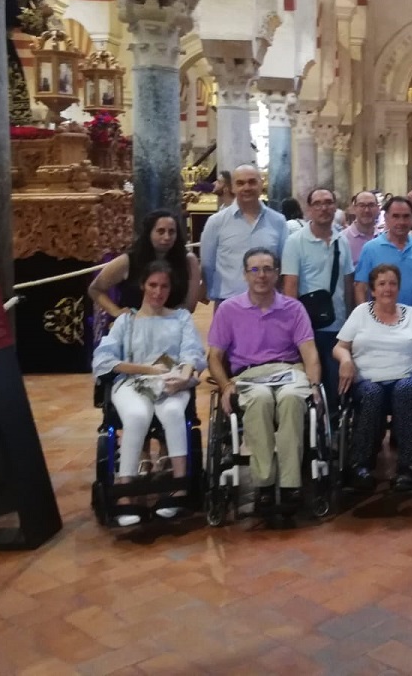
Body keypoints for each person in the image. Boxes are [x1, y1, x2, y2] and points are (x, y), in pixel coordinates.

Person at [207, 248, 323, 508]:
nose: (262, 275)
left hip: (289, 370)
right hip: (248, 374)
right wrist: (226, 385)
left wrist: (314, 384)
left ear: (277, 273)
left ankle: (291, 483)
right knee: (259, 401)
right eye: (255, 270)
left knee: (293, 399)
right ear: (245, 274)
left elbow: (310, 353)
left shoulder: (294, 308)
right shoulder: (229, 309)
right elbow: (214, 357)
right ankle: (264, 483)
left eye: (268, 269)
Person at [92, 261, 206, 525]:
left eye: (164, 286)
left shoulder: (180, 318)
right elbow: (104, 360)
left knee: (174, 411)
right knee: (136, 416)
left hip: (171, 380)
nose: (158, 292)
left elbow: (193, 354)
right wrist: (147, 369)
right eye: (153, 285)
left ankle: (180, 485)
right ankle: (124, 492)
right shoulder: (126, 321)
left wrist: (184, 375)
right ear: (143, 285)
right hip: (132, 382)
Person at [334, 264, 412, 492]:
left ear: (398, 288)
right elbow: (340, 346)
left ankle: (410, 467)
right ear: (372, 290)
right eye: (382, 284)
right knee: (372, 394)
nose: (388, 288)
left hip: (407, 377)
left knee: (403, 391)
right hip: (368, 380)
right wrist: (345, 360)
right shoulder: (361, 313)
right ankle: (359, 466)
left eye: (392, 283)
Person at [282, 187, 355, 413]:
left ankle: (334, 433)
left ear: (335, 206)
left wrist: (351, 323)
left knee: (336, 385)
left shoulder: (341, 240)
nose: (324, 208)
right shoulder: (295, 242)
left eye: (328, 202)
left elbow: (348, 283)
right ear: (309, 209)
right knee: (311, 384)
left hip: (338, 326)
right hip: (308, 328)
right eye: (318, 203)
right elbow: (290, 288)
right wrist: (292, 329)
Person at [89, 209, 203, 318]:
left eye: (172, 232)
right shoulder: (127, 261)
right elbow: (95, 289)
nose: (167, 237)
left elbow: (189, 307)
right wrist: (116, 312)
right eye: (161, 231)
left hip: (173, 325)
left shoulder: (189, 261)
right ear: (149, 233)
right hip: (134, 325)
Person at [200, 164, 288, 302]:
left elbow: (283, 263)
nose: (247, 187)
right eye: (240, 183)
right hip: (228, 301)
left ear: (261, 184)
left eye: (252, 182)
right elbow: (207, 264)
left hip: (267, 301)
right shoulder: (216, 222)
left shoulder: (278, 221)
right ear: (232, 188)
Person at [354, 196, 412, 321]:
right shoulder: (371, 248)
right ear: (386, 218)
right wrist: (366, 319)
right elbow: (361, 287)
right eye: (396, 216)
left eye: (406, 216)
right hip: (381, 317)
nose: (401, 222)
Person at [343, 190, 381, 264]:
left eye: (371, 205)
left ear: (378, 208)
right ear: (354, 209)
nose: (366, 210)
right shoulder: (343, 240)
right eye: (362, 205)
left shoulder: (384, 239)